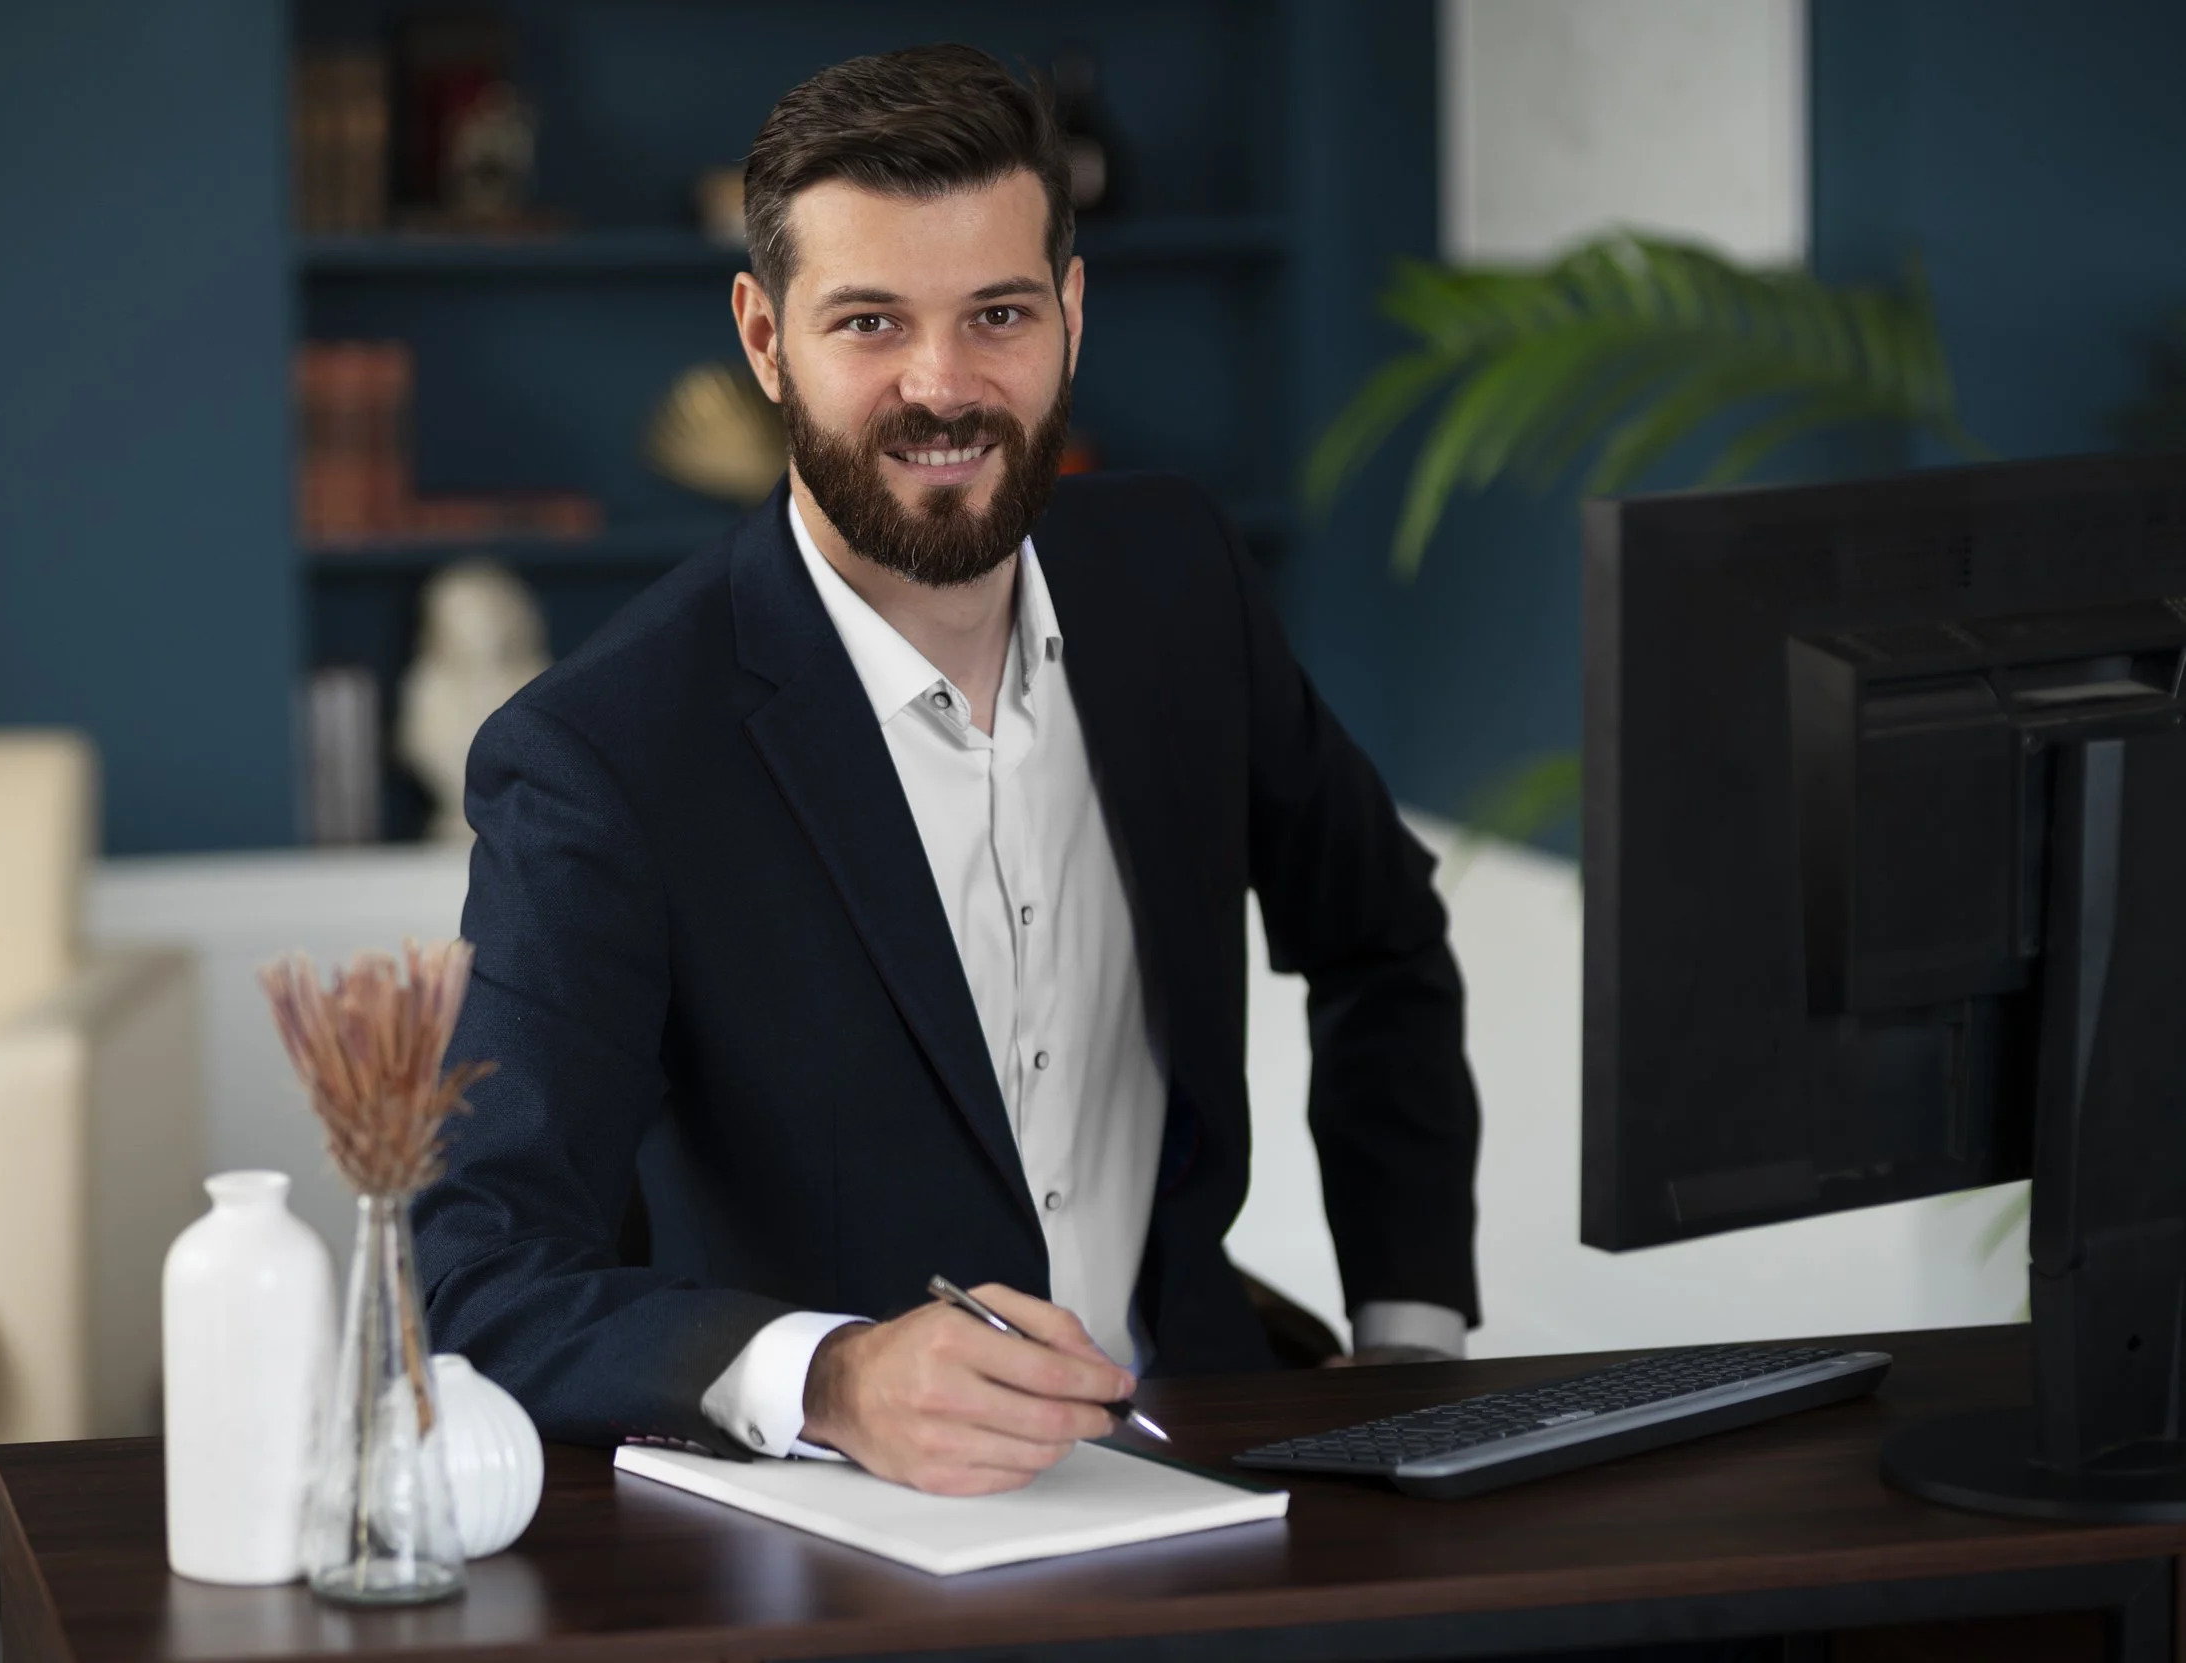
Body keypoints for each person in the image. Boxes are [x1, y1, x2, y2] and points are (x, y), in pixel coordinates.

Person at [416, 43, 1481, 1498]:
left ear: (1073, 315)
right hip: (835, 1535)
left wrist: (1410, 1336)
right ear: (763, 337)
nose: (944, 386)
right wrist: (833, 1375)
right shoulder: (603, 754)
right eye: (869, 322)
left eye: (997, 314)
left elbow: (1382, 937)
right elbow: (477, 1268)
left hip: (1209, 1463)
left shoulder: (1180, 582)